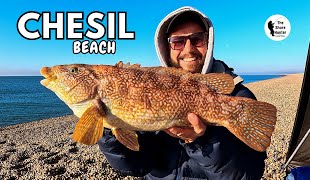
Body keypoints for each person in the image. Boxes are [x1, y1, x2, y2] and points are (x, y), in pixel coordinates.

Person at [98, 6, 267, 180]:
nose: (188, 49)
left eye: (197, 39)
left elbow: (248, 175)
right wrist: (109, 128)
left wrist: (203, 140)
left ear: (208, 42)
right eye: (178, 41)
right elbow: (135, 166)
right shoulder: (145, 91)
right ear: (166, 47)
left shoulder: (238, 98)